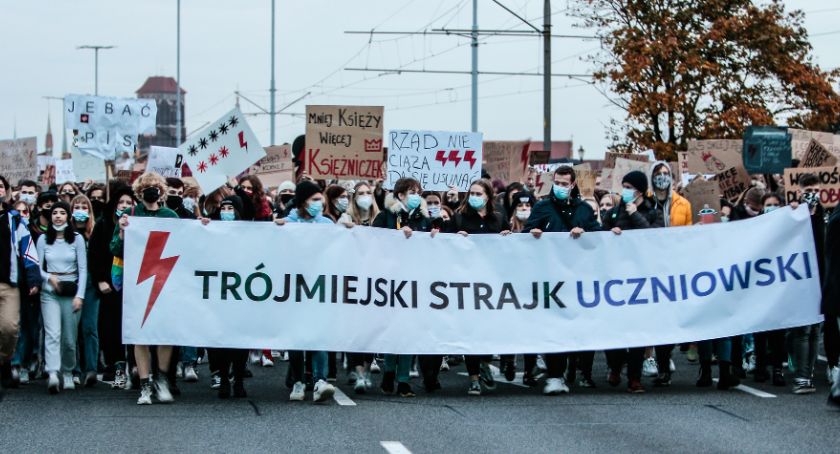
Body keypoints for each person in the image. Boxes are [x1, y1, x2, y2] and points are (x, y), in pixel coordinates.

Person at [524, 166, 601, 394]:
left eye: (564, 183)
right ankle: (555, 375)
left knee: (575, 325)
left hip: (577, 278)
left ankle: (573, 369)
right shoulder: (542, 207)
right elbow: (525, 236)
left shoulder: (584, 210)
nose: (560, 187)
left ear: (573, 185)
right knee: (554, 326)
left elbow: (599, 239)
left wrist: (585, 234)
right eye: (557, 182)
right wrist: (533, 234)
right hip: (550, 278)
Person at [111, 173, 180, 405]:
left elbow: (185, 242)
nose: (151, 190)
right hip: (137, 282)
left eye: (155, 187)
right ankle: (145, 384)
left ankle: (161, 379)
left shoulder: (170, 216)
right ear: (139, 192)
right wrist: (121, 231)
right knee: (139, 335)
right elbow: (115, 249)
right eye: (146, 187)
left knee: (164, 333)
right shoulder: (131, 216)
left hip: (164, 280)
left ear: (161, 191)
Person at [274, 181, 337, 403]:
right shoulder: (288, 222)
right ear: (303, 202)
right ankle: (299, 381)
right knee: (297, 336)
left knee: (318, 334)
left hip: (319, 287)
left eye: (321, 199)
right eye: (314, 200)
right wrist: (274, 228)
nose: (319, 203)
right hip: (293, 287)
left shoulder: (327, 224)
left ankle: (320, 380)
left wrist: (347, 231)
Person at [602, 170, 664, 393]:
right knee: (615, 329)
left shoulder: (653, 212)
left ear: (640, 191)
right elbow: (599, 238)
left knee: (638, 330)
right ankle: (616, 366)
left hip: (641, 278)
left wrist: (635, 214)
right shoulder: (613, 213)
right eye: (624, 186)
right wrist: (611, 233)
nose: (625, 191)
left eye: (630, 187)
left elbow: (653, 238)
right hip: (615, 279)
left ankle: (635, 377)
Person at [450, 179, 512, 396]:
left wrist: (507, 237)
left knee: (489, 330)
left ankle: (485, 362)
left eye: (479, 193)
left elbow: (509, 245)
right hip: (467, 282)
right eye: (472, 193)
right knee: (471, 331)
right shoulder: (460, 218)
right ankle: (474, 378)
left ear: (488, 196)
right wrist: (456, 239)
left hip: (492, 283)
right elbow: (445, 245)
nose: (475, 196)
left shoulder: (499, 217)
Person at [645, 162, 692, 386]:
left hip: (673, 267)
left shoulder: (683, 204)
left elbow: (688, 234)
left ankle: (664, 363)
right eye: (658, 174)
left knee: (668, 319)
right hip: (649, 267)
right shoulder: (644, 202)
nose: (662, 177)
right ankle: (653, 360)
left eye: (665, 174)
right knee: (652, 318)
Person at [36, 201, 87, 394]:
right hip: (50, 291)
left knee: (69, 337)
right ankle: (52, 373)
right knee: (52, 333)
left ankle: (67, 371)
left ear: (68, 216)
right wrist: (50, 278)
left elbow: (83, 269)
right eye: (55, 213)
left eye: (62, 213)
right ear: (50, 217)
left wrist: (80, 296)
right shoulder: (43, 240)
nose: (58, 216)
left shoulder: (77, 239)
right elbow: (38, 268)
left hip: (71, 290)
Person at [89, 184, 133, 389]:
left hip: (133, 285)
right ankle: (116, 368)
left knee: (131, 327)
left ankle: (134, 368)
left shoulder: (139, 224)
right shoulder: (103, 224)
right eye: (121, 202)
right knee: (111, 328)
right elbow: (95, 254)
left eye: (129, 203)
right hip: (110, 285)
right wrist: (100, 279)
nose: (124, 206)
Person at [0, 175, 40, 392]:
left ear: (6, 191)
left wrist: (33, 277)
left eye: (0, 186)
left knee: (9, 327)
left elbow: (28, 250)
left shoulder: (14, 219)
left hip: (9, 283)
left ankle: (5, 360)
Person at [786, 174, 825, 394]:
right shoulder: (793, 215)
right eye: (808, 189)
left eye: (816, 190)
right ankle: (801, 376)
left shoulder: (825, 215)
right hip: (799, 280)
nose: (812, 194)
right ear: (800, 191)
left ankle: (807, 374)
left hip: (820, 279)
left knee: (814, 331)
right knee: (803, 329)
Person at [208, 196, 249, 399]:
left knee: (241, 342)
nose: (226, 210)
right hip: (218, 292)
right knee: (220, 340)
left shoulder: (249, 233)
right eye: (223, 207)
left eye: (230, 207)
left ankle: (239, 380)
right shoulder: (212, 230)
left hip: (242, 293)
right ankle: (224, 378)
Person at [751, 193, 787, 387]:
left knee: (777, 332)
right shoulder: (754, 226)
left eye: (775, 204)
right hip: (759, 286)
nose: (771, 207)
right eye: (768, 205)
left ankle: (777, 369)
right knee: (760, 330)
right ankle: (760, 366)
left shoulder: (786, 226)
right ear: (762, 207)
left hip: (778, 286)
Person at [69, 194, 100, 387]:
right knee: (72, 328)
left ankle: (91, 368)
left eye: (84, 207)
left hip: (91, 285)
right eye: (76, 207)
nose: (80, 210)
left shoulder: (95, 233)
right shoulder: (66, 234)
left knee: (89, 327)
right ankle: (73, 368)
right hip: (71, 284)